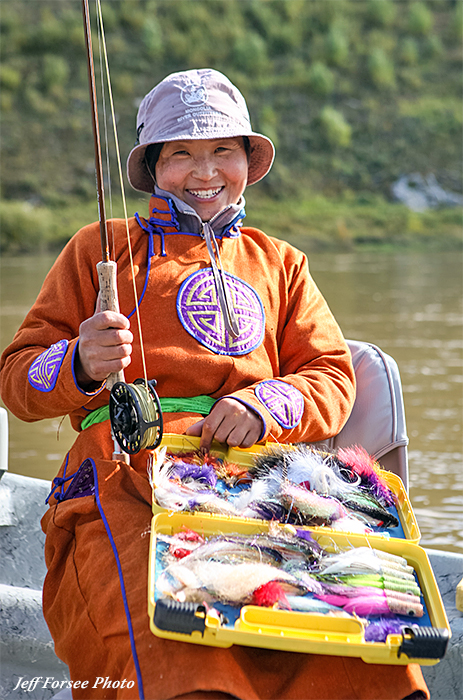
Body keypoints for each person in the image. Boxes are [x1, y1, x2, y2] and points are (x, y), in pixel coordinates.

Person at [0, 69, 428, 700]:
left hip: (267, 486)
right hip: (124, 478)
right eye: (182, 154)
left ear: (247, 163)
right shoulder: (98, 247)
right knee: (164, 641)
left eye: (222, 150)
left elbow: (333, 375)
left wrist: (266, 402)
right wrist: (79, 362)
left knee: (357, 649)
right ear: (153, 167)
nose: (205, 172)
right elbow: (16, 379)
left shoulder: (282, 262)